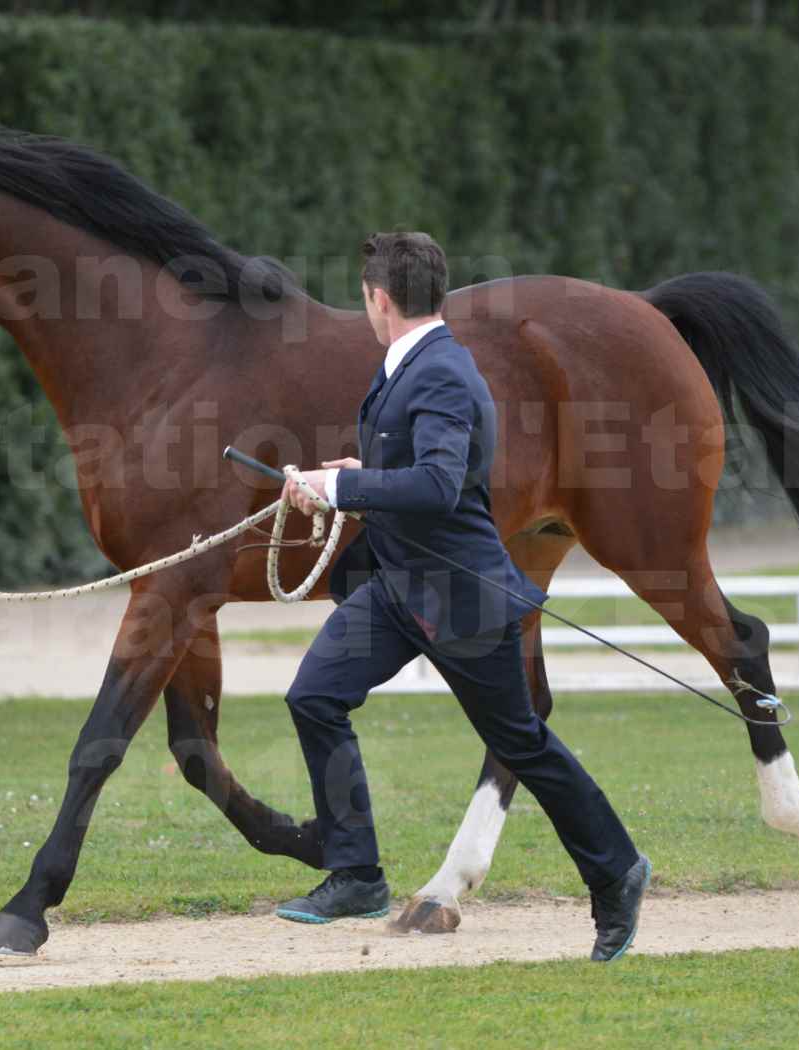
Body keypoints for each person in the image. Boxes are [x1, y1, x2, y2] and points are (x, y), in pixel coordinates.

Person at [274, 231, 650, 961]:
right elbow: (417, 468)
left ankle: (617, 872)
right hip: (396, 588)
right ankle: (355, 873)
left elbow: (441, 485)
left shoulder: (441, 372)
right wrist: (362, 470)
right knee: (314, 697)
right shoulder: (409, 366)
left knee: (521, 744)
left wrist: (341, 486)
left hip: (460, 599)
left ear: (377, 299)